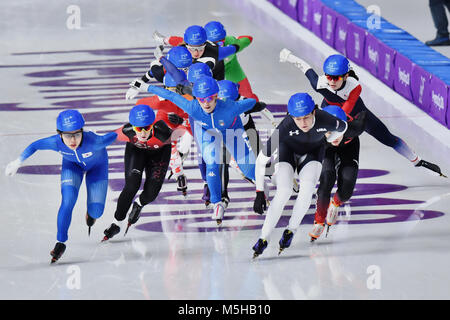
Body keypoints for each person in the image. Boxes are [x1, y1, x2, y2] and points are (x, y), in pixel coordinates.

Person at [279, 49, 446, 178]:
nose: (331, 82)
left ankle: (417, 162)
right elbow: (306, 68)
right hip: (331, 111)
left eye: (336, 78)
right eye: (329, 77)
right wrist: (289, 56)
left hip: (356, 114)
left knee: (387, 138)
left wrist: (332, 126)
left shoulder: (354, 86)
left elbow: (346, 110)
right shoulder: (320, 83)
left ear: (345, 76)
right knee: (308, 133)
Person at [134, 76, 258, 225]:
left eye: (209, 98)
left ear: (216, 96)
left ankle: (263, 183)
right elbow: (170, 95)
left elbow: (251, 102)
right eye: (201, 99)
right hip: (208, 133)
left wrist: (253, 105)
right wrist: (146, 87)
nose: (205, 103)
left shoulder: (230, 107)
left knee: (248, 170)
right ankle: (217, 203)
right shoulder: (193, 107)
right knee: (212, 163)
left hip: (231, 131)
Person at [4, 109, 117, 263]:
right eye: (67, 135)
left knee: (96, 212)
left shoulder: (95, 141)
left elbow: (118, 133)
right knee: (68, 201)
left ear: (82, 131)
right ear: (59, 134)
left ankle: (91, 215)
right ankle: (60, 243)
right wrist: (18, 161)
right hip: (72, 167)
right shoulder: (55, 142)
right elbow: (35, 145)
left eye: (77, 134)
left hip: (97, 167)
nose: (73, 141)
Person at [252, 93, 349, 258]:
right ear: (291, 116)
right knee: (284, 191)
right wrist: (259, 192)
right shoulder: (285, 126)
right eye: (298, 119)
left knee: (308, 188)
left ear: (314, 112)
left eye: (306, 117)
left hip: (313, 154)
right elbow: (261, 160)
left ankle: (291, 230)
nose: (303, 123)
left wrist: (330, 139)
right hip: (287, 152)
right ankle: (263, 237)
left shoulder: (326, 119)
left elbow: (344, 127)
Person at [102, 104, 183, 241]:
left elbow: (181, 138)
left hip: (160, 154)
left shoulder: (163, 132)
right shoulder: (126, 131)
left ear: (153, 125)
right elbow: (102, 140)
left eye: (147, 128)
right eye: (139, 129)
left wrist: (181, 123)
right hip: (136, 152)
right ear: (133, 127)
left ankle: (139, 204)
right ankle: (117, 223)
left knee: (151, 193)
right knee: (131, 186)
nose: (143, 133)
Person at [309, 105, 366, 242]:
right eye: (329, 133)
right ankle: (319, 220)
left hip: (349, 147)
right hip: (326, 149)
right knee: (327, 178)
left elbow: (364, 114)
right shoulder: (315, 131)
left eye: (337, 132)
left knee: (346, 190)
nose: (334, 137)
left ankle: (335, 203)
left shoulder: (355, 128)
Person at [152, 25, 239, 80]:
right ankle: (163, 39)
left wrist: (236, 46)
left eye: (201, 48)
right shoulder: (182, 47)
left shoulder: (215, 52)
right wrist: (164, 40)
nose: (196, 53)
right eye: (191, 48)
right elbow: (178, 41)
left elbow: (231, 49)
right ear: (186, 45)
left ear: (205, 44)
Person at [204, 21, 259, 100]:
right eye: (213, 43)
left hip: (231, 67)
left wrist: (246, 39)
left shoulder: (231, 42)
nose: (218, 46)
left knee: (246, 94)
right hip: (212, 72)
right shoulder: (199, 50)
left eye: (221, 42)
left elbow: (246, 39)